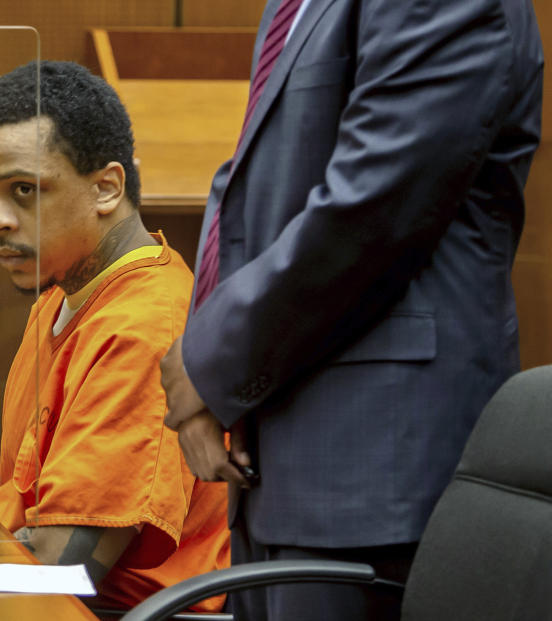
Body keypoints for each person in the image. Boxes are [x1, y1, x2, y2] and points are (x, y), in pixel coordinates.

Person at [159, 0, 544, 619]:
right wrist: (208, 374)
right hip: (275, 461)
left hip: (370, 473)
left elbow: (370, 212)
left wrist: (209, 367)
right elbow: (248, 191)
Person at [0, 61, 230, 613]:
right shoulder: (60, 298)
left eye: (23, 190)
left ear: (107, 188)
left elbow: (59, 570)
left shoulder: (145, 326)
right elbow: (18, 502)